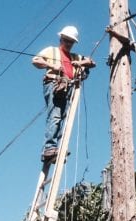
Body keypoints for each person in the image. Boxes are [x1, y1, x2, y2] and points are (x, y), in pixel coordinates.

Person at [32, 25, 96, 162]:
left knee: (63, 118)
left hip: (69, 87)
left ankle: (56, 148)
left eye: (71, 42)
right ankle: (49, 147)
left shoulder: (75, 56)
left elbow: (92, 62)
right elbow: (36, 60)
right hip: (55, 84)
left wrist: (80, 62)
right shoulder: (52, 51)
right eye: (66, 40)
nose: (68, 44)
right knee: (55, 116)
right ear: (61, 38)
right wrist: (52, 66)